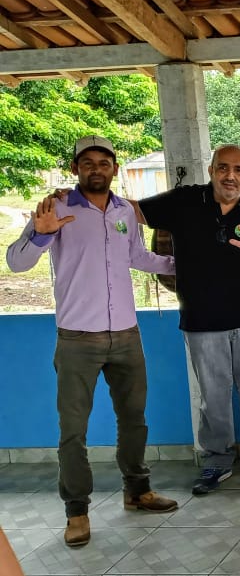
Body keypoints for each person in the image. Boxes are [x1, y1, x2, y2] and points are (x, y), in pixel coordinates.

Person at [5, 136, 178, 547]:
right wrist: (42, 234)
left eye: (104, 162)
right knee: (73, 431)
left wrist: (192, 265)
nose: (96, 168)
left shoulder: (123, 211)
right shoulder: (56, 208)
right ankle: (77, 512)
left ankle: (138, 491)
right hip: (77, 340)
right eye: (88, 162)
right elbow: (16, 262)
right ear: (75, 167)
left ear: (114, 169)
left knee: (134, 420)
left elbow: (139, 257)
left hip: (126, 336)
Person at [136, 145, 240, 495]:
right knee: (213, 395)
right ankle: (217, 460)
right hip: (202, 318)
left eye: (238, 170)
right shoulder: (185, 201)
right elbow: (133, 211)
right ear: (211, 170)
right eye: (223, 168)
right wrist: (83, 198)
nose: (230, 176)